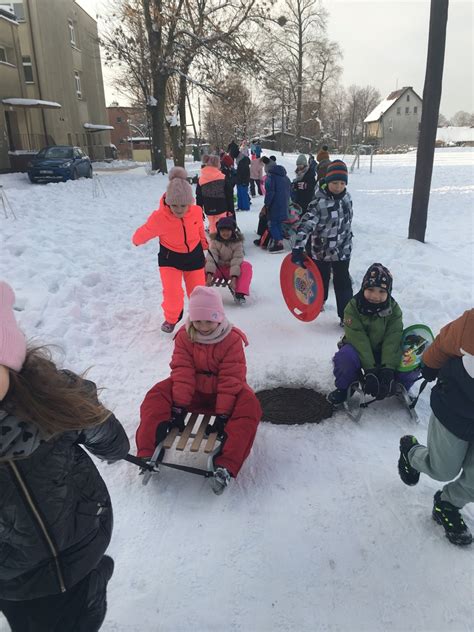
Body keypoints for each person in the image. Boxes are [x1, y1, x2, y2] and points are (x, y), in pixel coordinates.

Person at [0, 281, 130, 632]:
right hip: (17, 579)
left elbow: (111, 441)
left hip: (81, 535)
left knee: (85, 616)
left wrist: (88, 414)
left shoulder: (52, 399)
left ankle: (92, 588)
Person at [135, 286, 262, 494]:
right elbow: (182, 371)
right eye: (198, 321)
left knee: (250, 404)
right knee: (157, 394)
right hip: (192, 392)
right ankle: (147, 452)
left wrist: (223, 415)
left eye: (209, 321)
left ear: (219, 318)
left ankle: (226, 466)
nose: (203, 327)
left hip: (222, 395)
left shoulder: (231, 339)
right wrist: (178, 407)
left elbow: (231, 378)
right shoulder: (185, 336)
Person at [398, 309, 474, 546]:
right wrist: (430, 364)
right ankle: (412, 453)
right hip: (455, 408)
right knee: (443, 470)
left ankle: (447, 504)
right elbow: (445, 341)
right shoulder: (471, 325)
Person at [326, 263, 419, 405]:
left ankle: (400, 386)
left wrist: (388, 369)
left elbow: (392, 339)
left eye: (382, 291)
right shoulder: (352, 308)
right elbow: (358, 339)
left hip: (384, 350)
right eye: (370, 289)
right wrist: (370, 370)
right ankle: (345, 389)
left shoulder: (393, 310)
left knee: (413, 358)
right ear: (363, 288)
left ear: (388, 292)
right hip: (358, 349)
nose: (375, 296)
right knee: (344, 358)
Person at [132, 167, 208, 333]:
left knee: (198, 291)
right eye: (174, 205)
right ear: (168, 202)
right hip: (170, 258)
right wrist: (136, 240)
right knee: (172, 292)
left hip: (194, 256)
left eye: (183, 205)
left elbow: (199, 229)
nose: (179, 209)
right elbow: (145, 231)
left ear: (190, 202)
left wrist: (204, 244)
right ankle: (172, 318)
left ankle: (200, 317)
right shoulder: (160, 218)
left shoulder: (195, 211)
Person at [291, 160, 353, 320]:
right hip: (321, 251)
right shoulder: (319, 203)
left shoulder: (347, 198)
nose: (338, 187)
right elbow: (305, 225)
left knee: (343, 283)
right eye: (334, 183)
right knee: (320, 280)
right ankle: (319, 303)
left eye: (341, 183)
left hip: (343, 250)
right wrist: (298, 247)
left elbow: (348, 221)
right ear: (327, 181)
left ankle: (346, 316)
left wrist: (347, 238)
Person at [205, 216, 253, 305]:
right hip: (218, 269)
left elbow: (236, 260)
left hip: (231, 270)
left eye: (228, 230)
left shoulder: (237, 243)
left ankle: (240, 293)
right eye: (223, 230)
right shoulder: (215, 242)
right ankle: (200, 291)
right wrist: (209, 275)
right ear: (219, 231)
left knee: (246, 266)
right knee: (203, 263)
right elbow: (212, 258)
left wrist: (234, 278)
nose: (225, 233)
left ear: (232, 231)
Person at [195, 154, 234, 233]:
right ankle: (222, 243)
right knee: (223, 227)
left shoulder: (201, 179)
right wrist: (231, 209)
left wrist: (199, 211)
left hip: (208, 207)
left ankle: (214, 242)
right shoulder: (222, 177)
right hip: (222, 206)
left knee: (212, 227)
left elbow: (199, 197)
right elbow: (229, 194)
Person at [264, 161, 291, 254]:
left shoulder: (271, 178)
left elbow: (270, 193)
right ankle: (279, 240)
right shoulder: (286, 178)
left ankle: (279, 244)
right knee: (278, 222)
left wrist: (266, 204)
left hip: (275, 204)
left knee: (272, 223)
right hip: (285, 204)